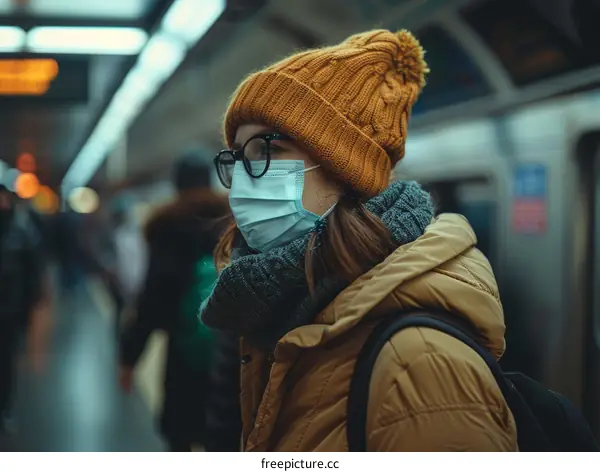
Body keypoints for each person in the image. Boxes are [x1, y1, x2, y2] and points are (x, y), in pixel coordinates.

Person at [200, 29, 517, 451]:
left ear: (341, 168)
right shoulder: (280, 314)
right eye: (237, 157)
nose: (242, 178)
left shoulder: (419, 365)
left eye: (265, 150)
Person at [118, 151, 230, 452]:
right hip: (228, 353)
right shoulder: (230, 224)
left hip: (182, 352)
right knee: (222, 435)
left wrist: (130, 357)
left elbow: (152, 298)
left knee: (179, 437)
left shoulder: (166, 228)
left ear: (176, 185)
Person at [0, 185, 52, 434]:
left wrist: (34, 300)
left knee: (6, 361)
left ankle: (4, 407)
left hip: (9, 309)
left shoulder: (20, 231)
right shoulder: (20, 230)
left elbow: (32, 268)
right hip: (11, 305)